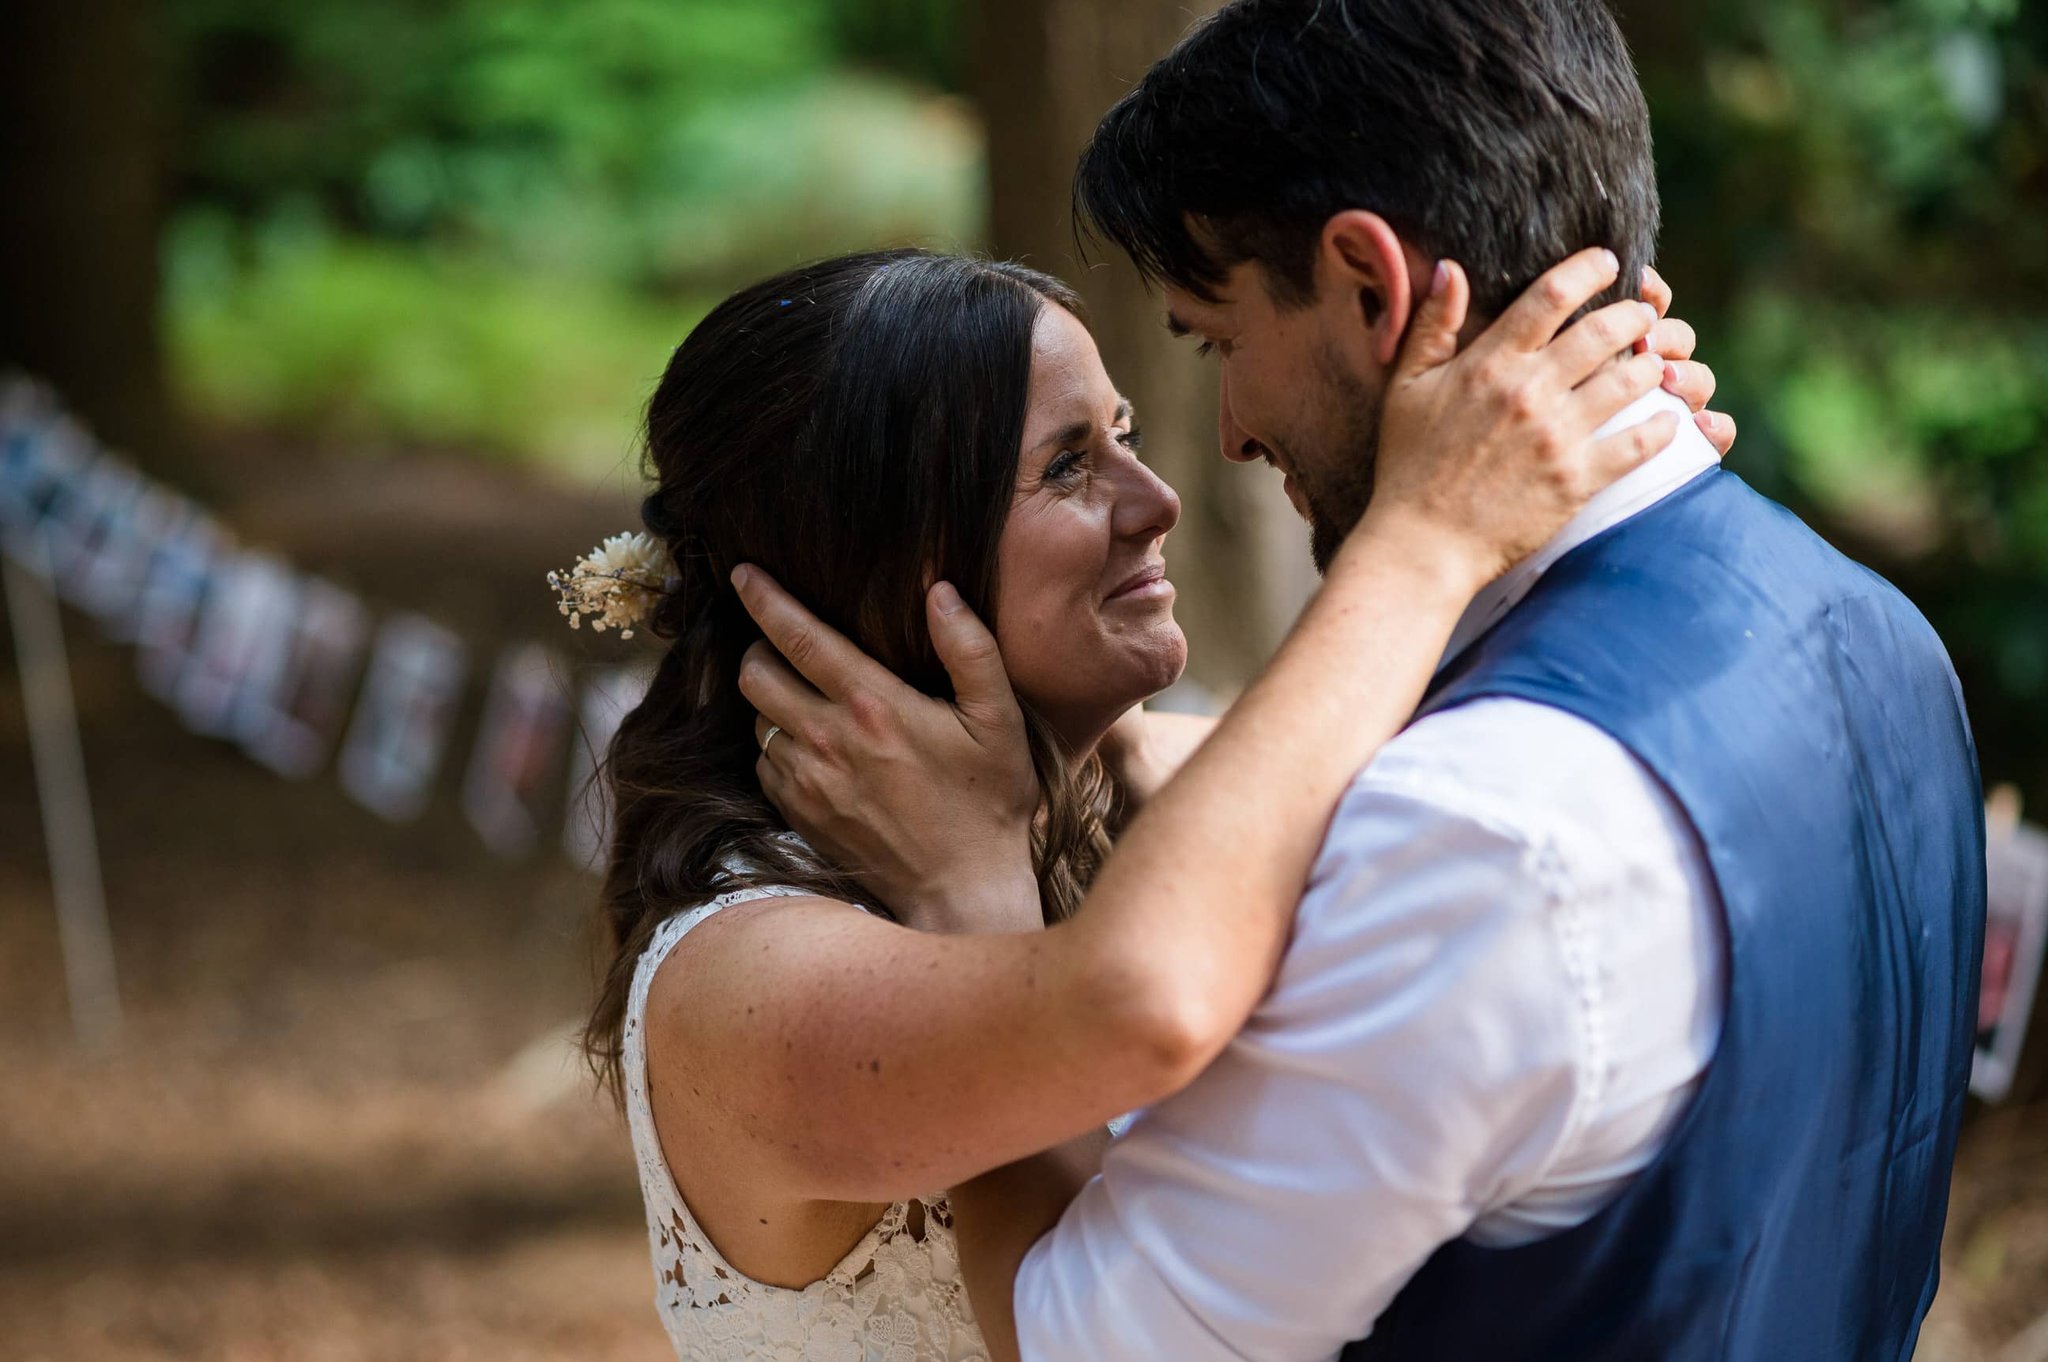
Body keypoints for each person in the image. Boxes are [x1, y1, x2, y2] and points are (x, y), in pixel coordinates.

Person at [734, 3, 1987, 1360]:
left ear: (1369, 286)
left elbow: (1087, 1333)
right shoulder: (1876, 634)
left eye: (1216, 340)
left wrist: (965, 893)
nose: (1223, 436)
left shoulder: (1481, 828)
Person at [558, 240, 1722, 1361]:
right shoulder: (745, 985)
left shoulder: (1139, 781)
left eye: (1120, 435)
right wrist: (967, 883)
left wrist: (1594, 470)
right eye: (1066, 466)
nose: (1155, 497)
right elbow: (1109, 1198)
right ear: (872, 561)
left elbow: (1514, 780)